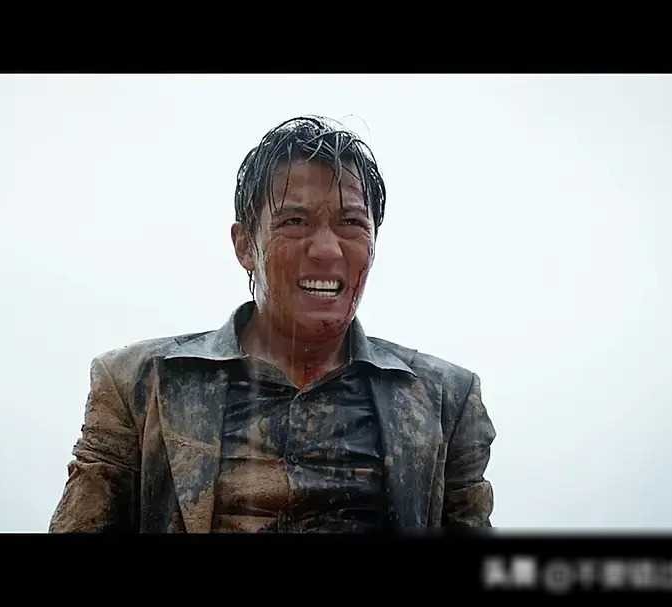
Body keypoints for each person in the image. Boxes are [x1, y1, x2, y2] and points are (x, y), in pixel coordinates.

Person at [48, 116, 495, 533]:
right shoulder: (136, 386)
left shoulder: (446, 401)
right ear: (245, 245)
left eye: (351, 223)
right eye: (295, 221)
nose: (326, 249)